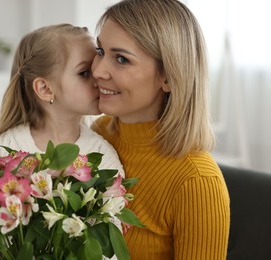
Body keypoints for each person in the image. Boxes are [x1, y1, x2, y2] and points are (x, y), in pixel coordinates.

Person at [0, 23, 124, 260]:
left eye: (95, 67)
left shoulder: (102, 155)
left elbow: (109, 245)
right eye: (84, 72)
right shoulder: (2, 150)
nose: (98, 77)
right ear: (44, 88)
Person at [91, 0, 230, 259]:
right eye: (100, 51)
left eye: (121, 59)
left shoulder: (197, 181)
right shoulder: (100, 135)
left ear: (167, 76)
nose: (97, 71)